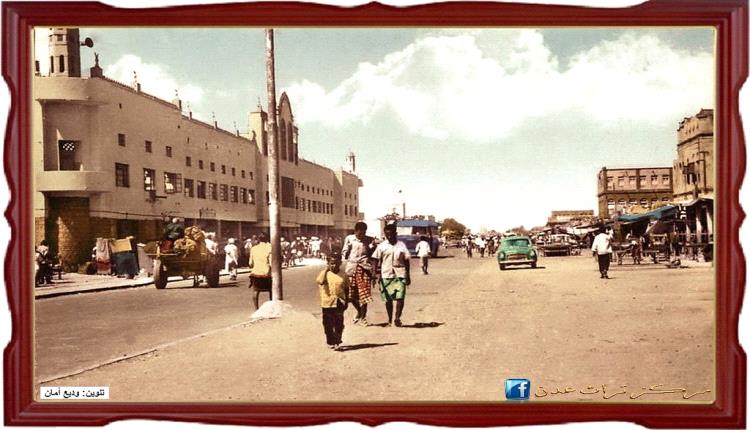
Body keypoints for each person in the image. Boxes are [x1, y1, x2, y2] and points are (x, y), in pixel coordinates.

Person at [372, 222, 411, 327]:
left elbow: (407, 260)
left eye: (391, 234)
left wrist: (408, 275)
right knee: (388, 300)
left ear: (395, 233)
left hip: (400, 274)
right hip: (386, 275)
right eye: (387, 234)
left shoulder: (401, 245)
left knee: (400, 298)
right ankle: (390, 319)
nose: (389, 236)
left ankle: (397, 318)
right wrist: (374, 274)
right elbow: (375, 260)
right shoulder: (381, 246)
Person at [341, 221, 375, 325]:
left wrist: (372, 247)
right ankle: (359, 312)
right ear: (355, 231)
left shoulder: (369, 240)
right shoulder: (349, 239)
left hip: (364, 268)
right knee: (351, 296)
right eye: (359, 233)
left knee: (364, 295)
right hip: (352, 268)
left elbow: (372, 255)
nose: (361, 235)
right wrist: (346, 254)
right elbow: (344, 253)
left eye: (364, 233)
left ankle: (363, 317)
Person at [315, 252, 350, 350]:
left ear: (340, 263)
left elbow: (347, 288)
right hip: (327, 302)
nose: (333, 265)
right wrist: (326, 270)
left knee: (339, 322)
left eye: (336, 263)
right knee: (328, 323)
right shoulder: (324, 274)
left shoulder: (343, 275)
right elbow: (320, 281)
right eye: (331, 263)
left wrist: (347, 300)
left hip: (339, 301)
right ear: (328, 263)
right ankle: (330, 341)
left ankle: (337, 340)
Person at [248, 232, 273, 309]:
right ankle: (272, 306)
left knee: (256, 291)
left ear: (258, 239)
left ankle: (256, 308)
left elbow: (250, 263)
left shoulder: (253, 249)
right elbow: (271, 262)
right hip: (266, 273)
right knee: (271, 291)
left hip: (255, 273)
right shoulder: (269, 248)